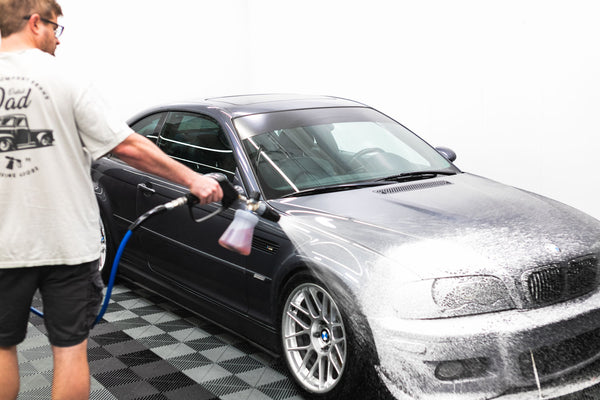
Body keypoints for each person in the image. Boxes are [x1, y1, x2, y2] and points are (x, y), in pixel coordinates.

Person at [0, 1, 223, 399]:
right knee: (70, 350)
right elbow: (127, 146)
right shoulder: (66, 78)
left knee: (1, 347)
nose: (57, 39)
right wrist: (192, 178)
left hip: (3, 246)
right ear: (35, 23)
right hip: (67, 244)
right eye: (55, 28)